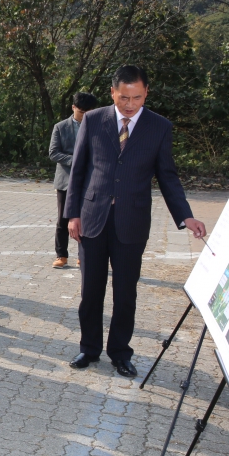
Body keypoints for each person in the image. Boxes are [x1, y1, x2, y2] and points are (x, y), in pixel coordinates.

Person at [65, 65, 206, 377]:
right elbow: (78, 171)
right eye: (123, 97)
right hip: (93, 219)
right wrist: (72, 215)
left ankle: (120, 352)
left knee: (125, 292)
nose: (130, 104)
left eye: (137, 97)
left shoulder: (159, 127)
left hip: (132, 222)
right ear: (113, 92)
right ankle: (89, 349)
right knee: (91, 291)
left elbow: (167, 176)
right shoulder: (93, 119)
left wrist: (185, 216)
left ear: (146, 94)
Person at [49, 91, 98, 269]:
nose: (85, 116)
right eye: (81, 112)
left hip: (90, 182)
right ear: (73, 108)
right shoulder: (60, 127)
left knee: (85, 220)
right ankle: (61, 255)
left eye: (88, 113)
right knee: (63, 220)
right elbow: (53, 153)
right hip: (65, 181)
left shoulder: (98, 126)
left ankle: (82, 255)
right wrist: (76, 161)